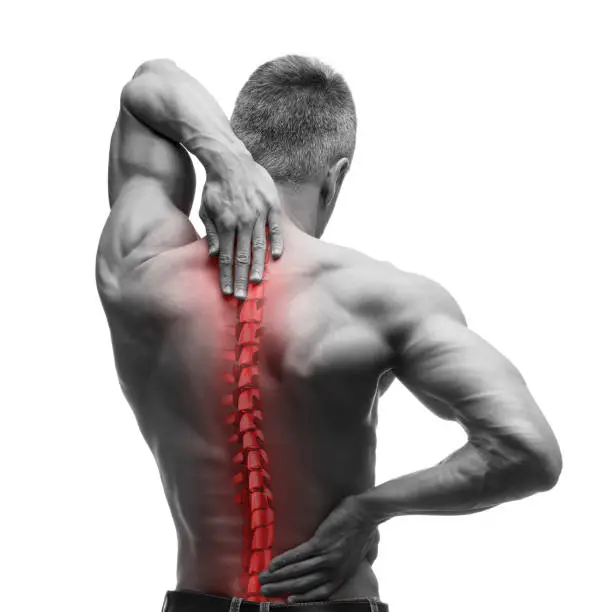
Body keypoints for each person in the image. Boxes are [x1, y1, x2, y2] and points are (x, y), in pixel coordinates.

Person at [96, 56, 562, 612]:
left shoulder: (140, 265)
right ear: (335, 178)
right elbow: (527, 452)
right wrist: (368, 510)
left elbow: (148, 84)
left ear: (244, 145)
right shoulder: (383, 300)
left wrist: (225, 159)